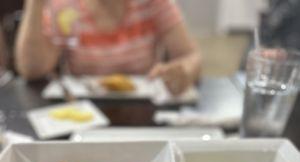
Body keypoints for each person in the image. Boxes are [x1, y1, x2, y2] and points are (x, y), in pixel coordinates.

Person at [15, 0, 201, 94]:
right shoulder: (65, 7)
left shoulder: (152, 3)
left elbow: (190, 55)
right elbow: (32, 69)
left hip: (142, 111)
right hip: (84, 111)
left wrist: (184, 70)